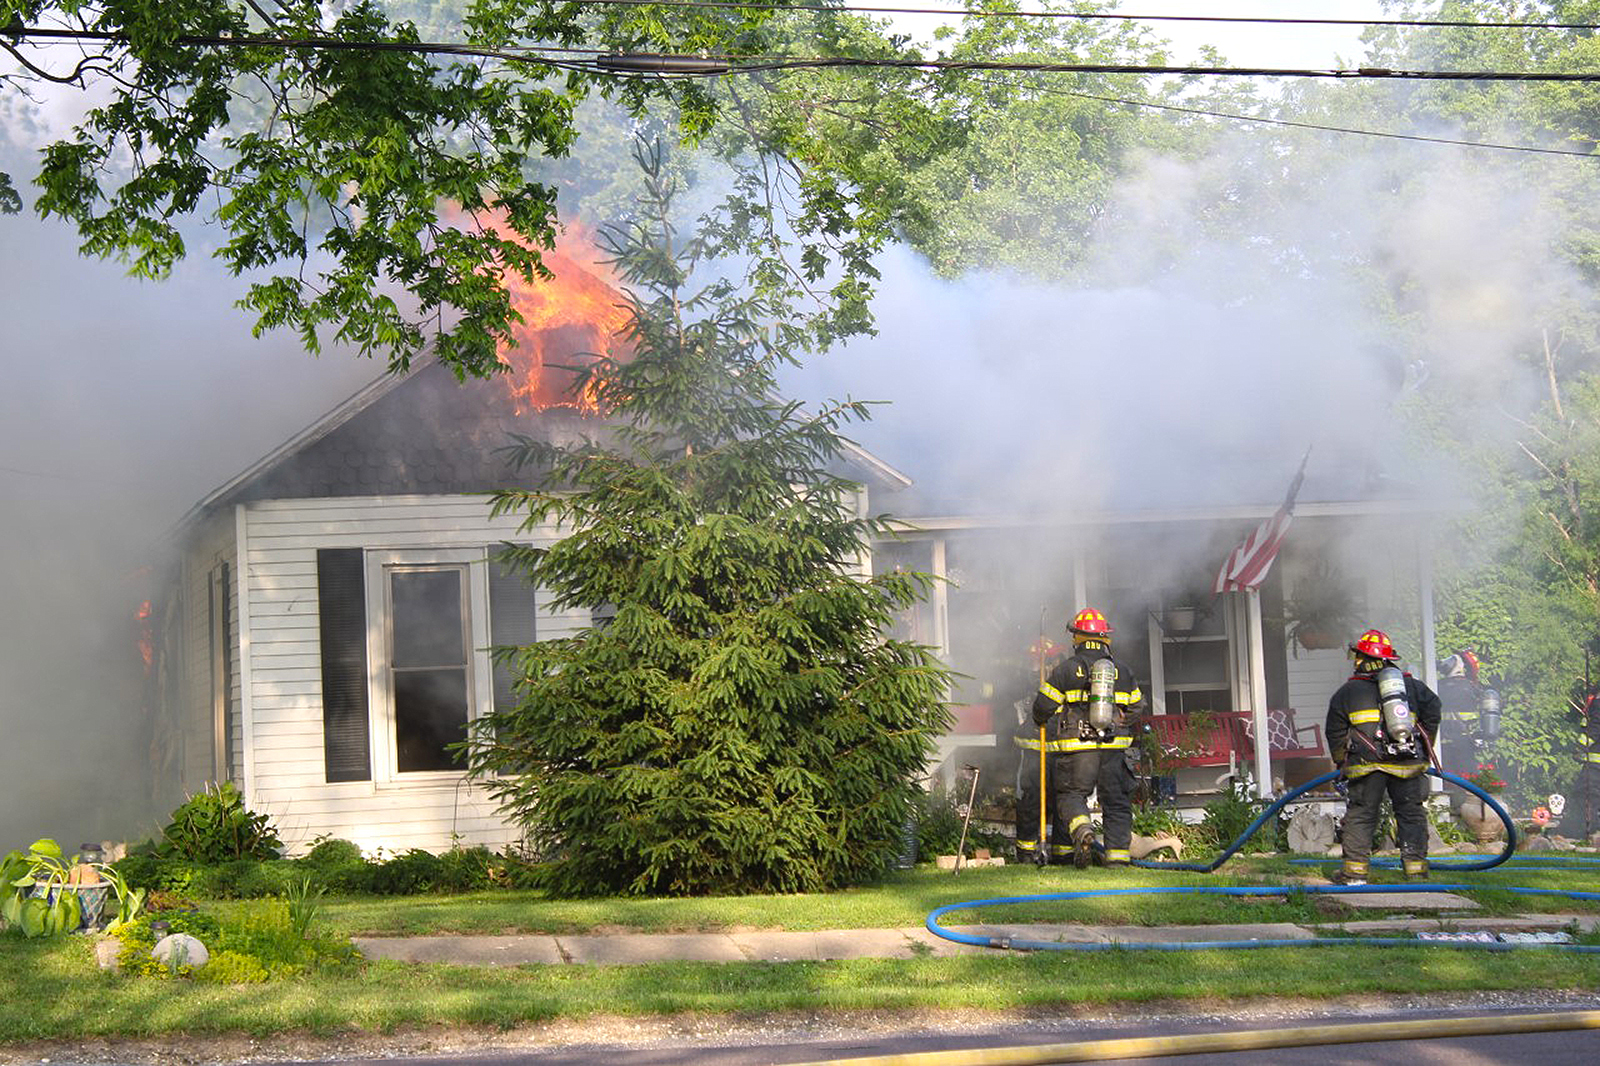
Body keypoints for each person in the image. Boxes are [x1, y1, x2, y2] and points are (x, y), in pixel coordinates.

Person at [1325, 628, 1443, 884]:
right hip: (1408, 762)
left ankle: (1354, 874)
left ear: (1361, 659)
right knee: (1411, 813)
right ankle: (1416, 872)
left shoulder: (1348, 692)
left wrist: (1340, 760)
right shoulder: (1411, 686)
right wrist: (1425, 743)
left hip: (1367, 765)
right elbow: (1434, 708)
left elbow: (1334, 729)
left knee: (1362, 814)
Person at [1032, 608, 1145, 868]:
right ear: (1106, 638)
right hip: (1114, 748)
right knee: (1116, 801)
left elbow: (1043, 706)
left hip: (1078, 747)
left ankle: (1082, 830)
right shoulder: (1123, 671)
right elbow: (1138, 707)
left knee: (1071, 795)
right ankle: (1117, 859)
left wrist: (1039, 720)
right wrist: (1120, 722)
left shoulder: (1066, 669)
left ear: (1077, 639)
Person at [1435, 650, 1483, 782]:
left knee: (1444, 780)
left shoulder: (1436, 686)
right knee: (1468, 782)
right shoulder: (1472, 688)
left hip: (1441, 744)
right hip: (1466, 743)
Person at [1571, 684, 1600, 841]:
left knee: (1586, 794)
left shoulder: (1598, 703)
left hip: (1595, 763)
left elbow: (1595, 728)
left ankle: (1587, 833)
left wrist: (1580, 747)